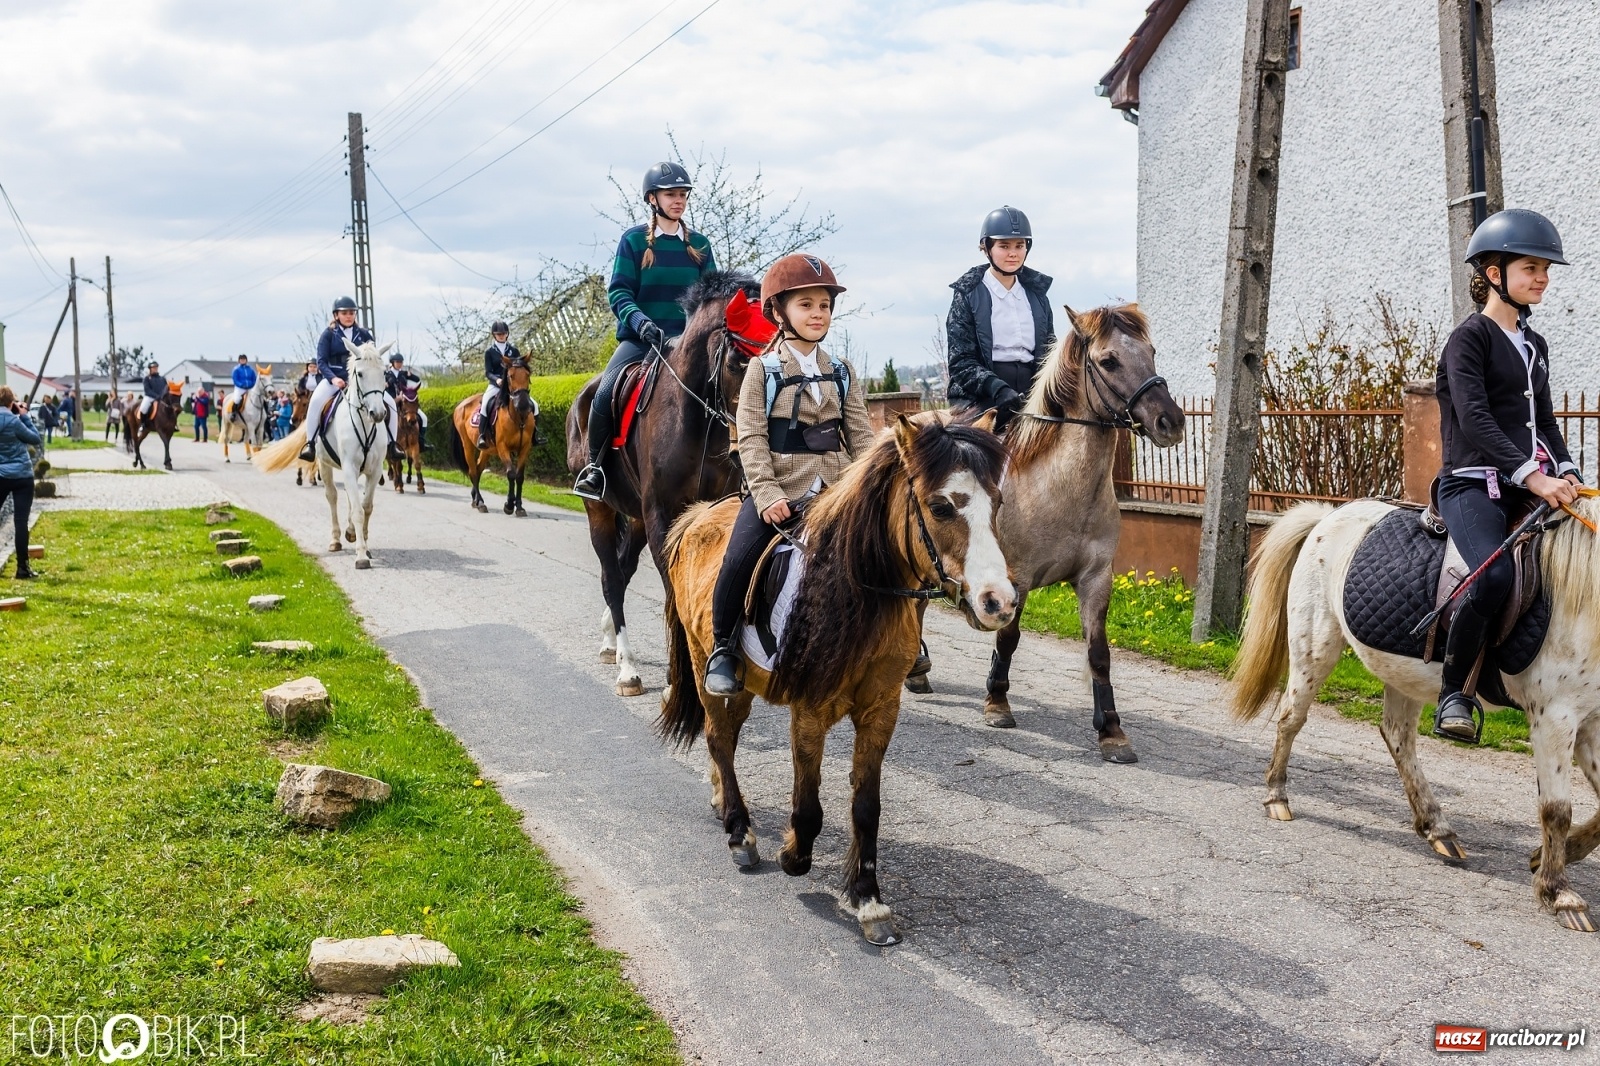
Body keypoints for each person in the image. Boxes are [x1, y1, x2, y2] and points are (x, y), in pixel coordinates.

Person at [1431, 208, 1582, 743]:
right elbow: (1475, 418)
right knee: (1493, 575)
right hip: (1472, 485)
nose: (1542, 277)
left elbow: (1543, 420)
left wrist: (1565, 470)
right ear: (1494, 273)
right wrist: (1530, 474)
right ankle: (1455, 694)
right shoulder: (1467, 340)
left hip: (1527, 483)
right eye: (1531, 268)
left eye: (1546, 269)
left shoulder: (1533, 346)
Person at [702, 254, 875, 695]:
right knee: (738, 559)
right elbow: (752, 439)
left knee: (883, 550)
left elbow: (861, 440)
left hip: (836, 492)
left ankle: (903, 642)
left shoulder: (842, 372)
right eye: (806, 305)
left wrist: (872, 491)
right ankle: (723, 648)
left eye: (824, 306)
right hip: (780, 492)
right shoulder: (763, 370)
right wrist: (765, 495)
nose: (818, 314)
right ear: (779, 312)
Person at [572, 161, 718, 499]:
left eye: (683, 194)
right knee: (605, 391)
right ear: (653, 199)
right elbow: (619, 291)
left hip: (688, 344)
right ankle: (594, 468)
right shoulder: (634, 241)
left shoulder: (700, 245)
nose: (678, 200)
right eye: (671, 194)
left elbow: (712, 295)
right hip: (642, 340)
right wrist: (640, 322)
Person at [946, 206, 1055, 432]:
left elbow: (1049, 351)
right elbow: (961, 361)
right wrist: (997, 388)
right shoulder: (967, 294)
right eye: (1004, 246)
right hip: (980, 398)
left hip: (1032, 396)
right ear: (987, 248)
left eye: (1019, 245)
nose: (1013, 253)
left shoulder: (1037, 296)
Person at [299, 296, 402, 464]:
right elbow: (321, 362)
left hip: (361, 381)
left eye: (351, 313)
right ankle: (310, 444)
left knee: (390, 403)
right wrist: (333, 379)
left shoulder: (364, 334)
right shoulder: (328, 334)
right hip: (335, 377)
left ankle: (392, 445)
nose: (348, 316)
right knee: (316, 401)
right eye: (344, 313)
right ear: (336, 315)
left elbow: (373, 360)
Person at [0, 386, 42, 579]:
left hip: (1, 475)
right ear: (11, 402)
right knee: (20, 522)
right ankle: (22, 568)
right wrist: (24, 416)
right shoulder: (15, 421)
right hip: (22, 476)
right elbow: (35, 439)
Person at [476, 323, 516, 449]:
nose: (502, 336)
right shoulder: (489, 352)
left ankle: (534, 434)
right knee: (485, 404)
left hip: (511, 385)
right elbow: (488, 372)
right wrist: (497, 380)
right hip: (495, 385)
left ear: (507, 334)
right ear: (494, 335)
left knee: (533, 404)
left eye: (504, 333)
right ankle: (482, 435)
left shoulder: (514, 351)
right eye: (499, 334)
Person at [386, 350, 428, 451]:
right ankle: (387, 444)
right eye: (398, 362)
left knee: (423, 418)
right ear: (393, 363)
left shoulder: (403, 374)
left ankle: (421, 442)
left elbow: (417, 379)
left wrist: (410, 375)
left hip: (405, 404)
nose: (400, 364)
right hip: (391, 402)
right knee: (383, 420)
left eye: (401, 362)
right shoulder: (386, 375)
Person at [228, 354, 257, 422]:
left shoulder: (251, 370)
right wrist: (242, 385)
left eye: (244, 359)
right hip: (240, 388)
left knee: (258, 397)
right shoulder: (236, 369)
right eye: (241, 360)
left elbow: (254, 379)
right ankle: (234, 414)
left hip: (250, 387)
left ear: (246, 360)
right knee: (237, 399)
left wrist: (252, 385)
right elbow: (235, 380)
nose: (243, 361)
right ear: (239, 361)